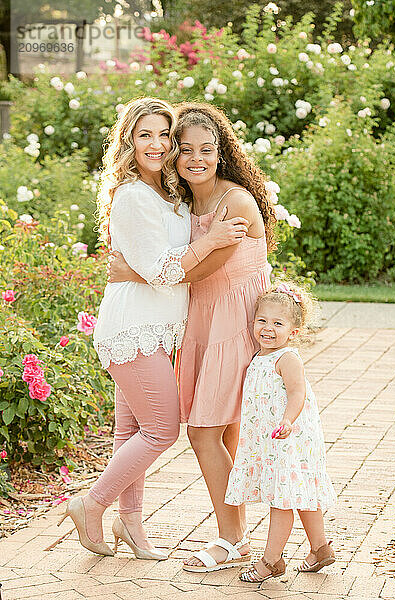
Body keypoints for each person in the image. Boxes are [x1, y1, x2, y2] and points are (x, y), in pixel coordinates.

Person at [57, 97, 248, 559]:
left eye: (166, 136)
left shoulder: (169, 194)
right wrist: (214, 240)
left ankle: (132, 529)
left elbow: (151, 265)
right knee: (162, 429)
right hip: (134, 327)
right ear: (129, 141)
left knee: (131, 431)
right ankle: (91, 503)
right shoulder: (133, 197)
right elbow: (164, 269)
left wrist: (137, 268)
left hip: (159, 328)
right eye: (146, 135)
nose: (158, 145)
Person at [109, 103, 276, 571]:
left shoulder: (235, 202)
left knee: (205, 432)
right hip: (202, 320)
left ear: (221, 152)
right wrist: (147, 267)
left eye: (206, 149)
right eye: (185, 150)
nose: (194, 158)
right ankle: (236, 537)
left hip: (234, 322)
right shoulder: (186, 203)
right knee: (222, 432)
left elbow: (203, 267)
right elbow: (176, 258)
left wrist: (137, 273)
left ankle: (230, 538)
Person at [224, 281, 337, 583]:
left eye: (278, 323)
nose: (268, 328)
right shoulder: (259, 357)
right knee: (298, 494)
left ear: (293, 332)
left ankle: (271, 561)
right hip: (271, 440)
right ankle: (320, 548)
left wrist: (288, 420)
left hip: (289, 437)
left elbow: (297, 393)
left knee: (283, 498)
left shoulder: (286, 358)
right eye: (262, 320)